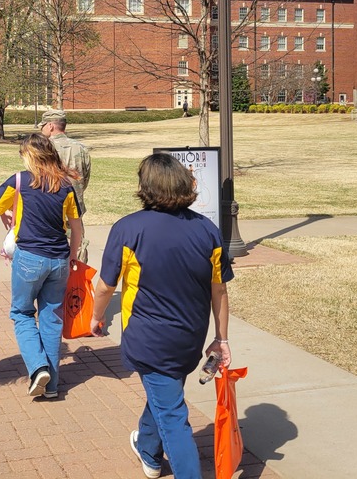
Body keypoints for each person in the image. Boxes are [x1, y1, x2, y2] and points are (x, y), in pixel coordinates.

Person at [89, 153, 233, 479]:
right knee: (165, 393)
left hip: (149, 338)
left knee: (172, 415)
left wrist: (96, 318)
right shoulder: (207, 230)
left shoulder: (128, 228)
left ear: (145, 186)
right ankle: (150, 454)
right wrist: (221, 338)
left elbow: (104, 286)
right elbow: (219, 290)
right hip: (189, 337)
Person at [0, 133, 84, 400]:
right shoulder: (65, 186)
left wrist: (8, 211)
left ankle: (38, 367)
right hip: (59, 259)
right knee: (52, 319)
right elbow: (77, 227)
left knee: (22, 313)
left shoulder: (19, 181)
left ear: (29, 156)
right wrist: (73, 255)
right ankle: (51, 386)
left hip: (29, 257)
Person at [38, 109, 91, 260]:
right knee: (78, 245)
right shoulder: (80, 148)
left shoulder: (43, 148)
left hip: (49, 208)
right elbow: (85, 178)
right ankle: (77, 279)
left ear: (50, 126)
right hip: (75, 206)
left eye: (42, 126)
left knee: (50, 248)